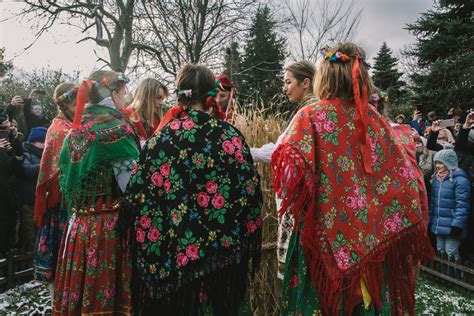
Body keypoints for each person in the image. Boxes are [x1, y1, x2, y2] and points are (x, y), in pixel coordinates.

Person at [271, 43, 434, 315]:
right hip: (371, 243)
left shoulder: (310, 116)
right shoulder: (376, 120)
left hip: (321, 246)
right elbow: (405, 178)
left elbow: (289, 179)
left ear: (325, 75)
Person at [126, 63, 263, 315]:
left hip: (176, 264)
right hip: (221, 261)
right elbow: (250, 190)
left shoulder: (160, 139)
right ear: (211, 96)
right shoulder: (228, 136)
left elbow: (138, 195)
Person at [53, 70, 139, 315]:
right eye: (123, 93)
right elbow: (130, 185)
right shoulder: (115, 130)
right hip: (110, 229)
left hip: (79, 227)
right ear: (113, 94)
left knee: (83, 297)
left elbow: (68, 181)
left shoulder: (76, 129)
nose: (126, 98)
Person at [33, 83, 77, 299]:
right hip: (60, 202)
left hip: (69, 201)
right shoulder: (61, 130)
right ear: (66, 102)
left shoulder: (70, 125)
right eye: (78, 102)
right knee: (60, 257)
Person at [429, 149, 470, 263]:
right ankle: (442, 278)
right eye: (436, 162)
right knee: (440, 250)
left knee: (451, 251)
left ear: (449, 162)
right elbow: (433, 203)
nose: (437, 165)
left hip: (453, 224)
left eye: (440, 162)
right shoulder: (436, 180)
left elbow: (462, 205)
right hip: (439, 222)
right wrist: (430, 220)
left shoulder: (460, 181)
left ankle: (457, 276)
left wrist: (457, 225)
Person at [13, 126, 47, 252]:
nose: (44, 145)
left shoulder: (42, 153)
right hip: (28, 198)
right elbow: (26, 170)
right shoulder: (24, 152)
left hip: (41, 198)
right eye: (42, 142)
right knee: (29, 232)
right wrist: (46, 164)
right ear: (34, 141)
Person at [123, 78, 169, 144]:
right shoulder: (126, 117)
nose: (161, 102)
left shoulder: (157, 119)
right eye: (158, 97)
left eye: (162, 99)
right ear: (146, 96)